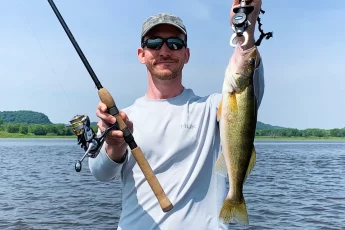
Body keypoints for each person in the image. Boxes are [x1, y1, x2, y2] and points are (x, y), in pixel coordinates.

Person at [89, 0, 265, 229]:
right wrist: (114, 145)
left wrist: (245, 31)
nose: (164, 51)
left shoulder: (211, 109)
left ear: (186, 54)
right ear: (141, 54)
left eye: (174, 43)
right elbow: (101, 173)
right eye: (154, 43)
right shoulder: (123, 118)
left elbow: (250, 93)